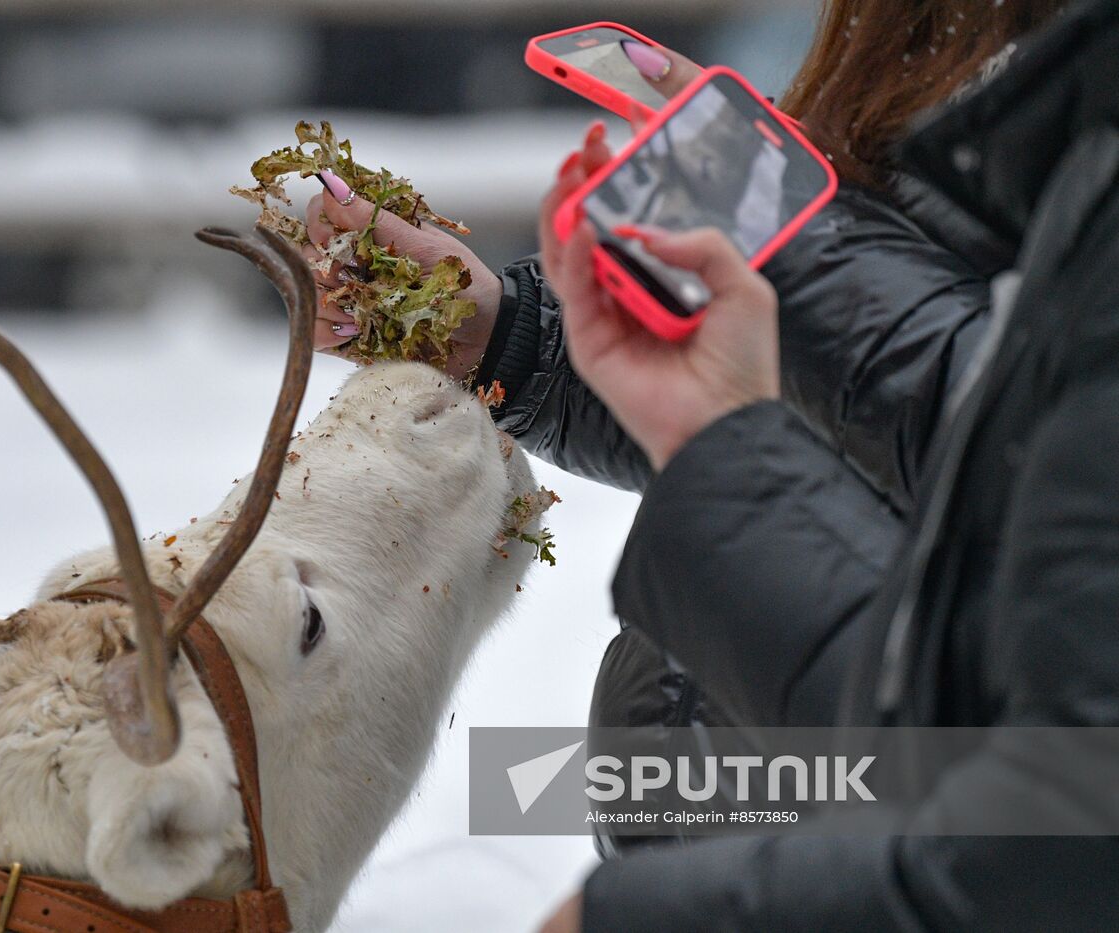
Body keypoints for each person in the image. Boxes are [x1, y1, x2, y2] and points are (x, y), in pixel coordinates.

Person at [306, 0, 1062, 855]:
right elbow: (837, 421)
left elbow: (1010, 437)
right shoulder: (935, 52)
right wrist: (510, 336)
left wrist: (787, 229)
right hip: (722, 816)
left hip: (889, 841)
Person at [531, 0, 1119, 925]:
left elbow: (1049, 851)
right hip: (743, 791)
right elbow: (952, 701)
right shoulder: (1037, 115)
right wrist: (514, 345)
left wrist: (772, 218)